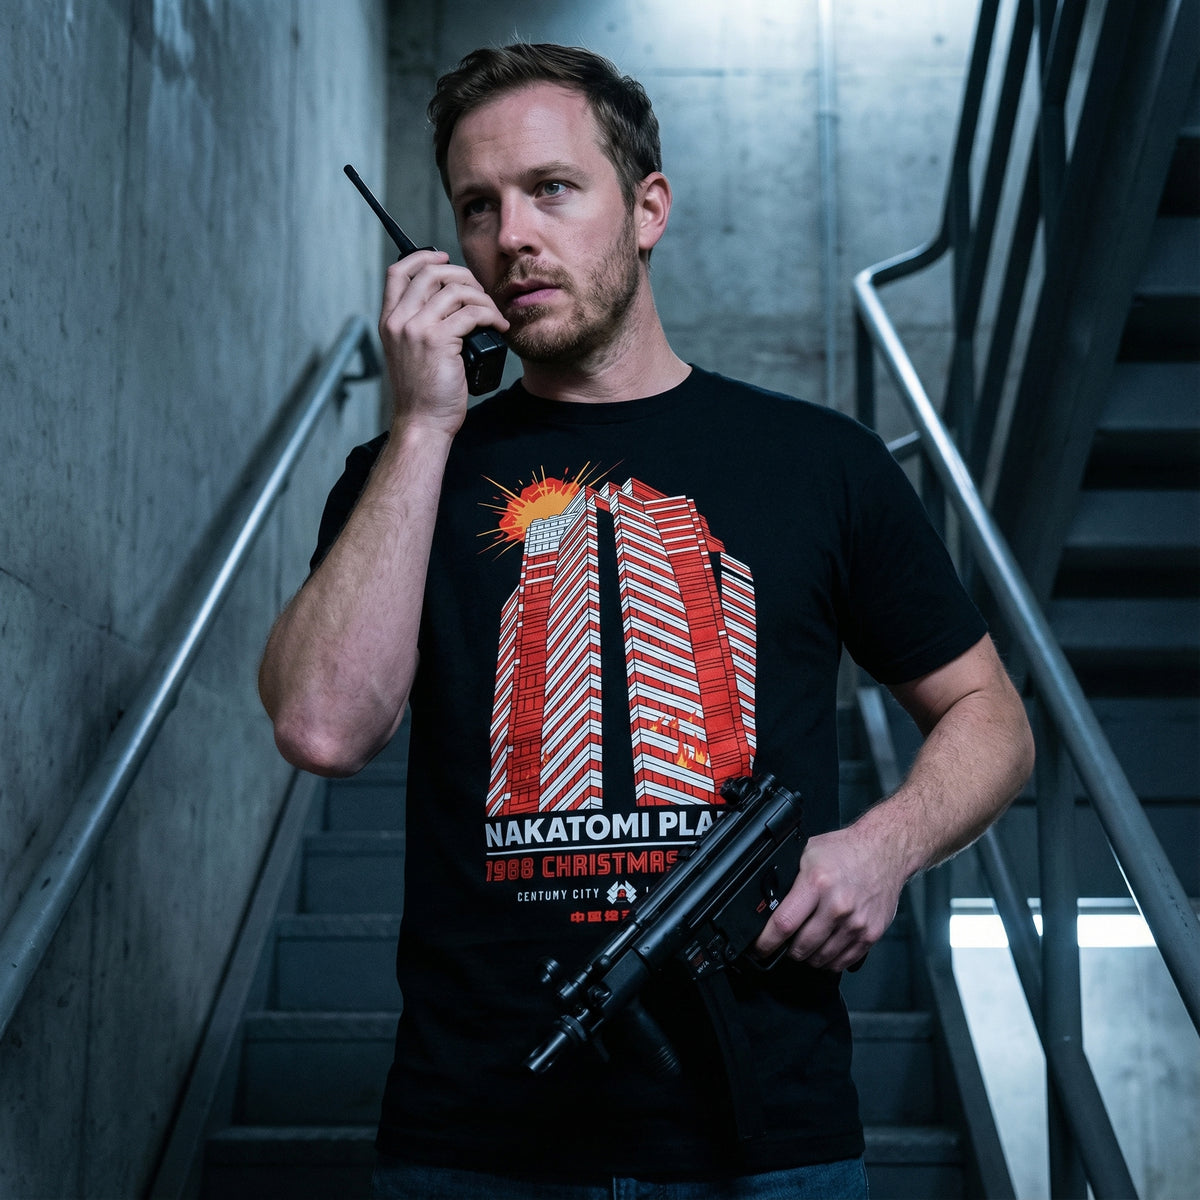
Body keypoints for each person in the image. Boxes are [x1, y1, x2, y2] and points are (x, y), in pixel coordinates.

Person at [258, 42, 1034, 1200]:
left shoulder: (819, 463)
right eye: (478, 206)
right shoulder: (402, 473)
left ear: (648, 207)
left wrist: (887, 845)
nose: (511, 235)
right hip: (475, 1137)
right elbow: (324, 727)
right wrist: (425, 425)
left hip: (771, 1138)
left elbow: (993, 716)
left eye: (551, 190)